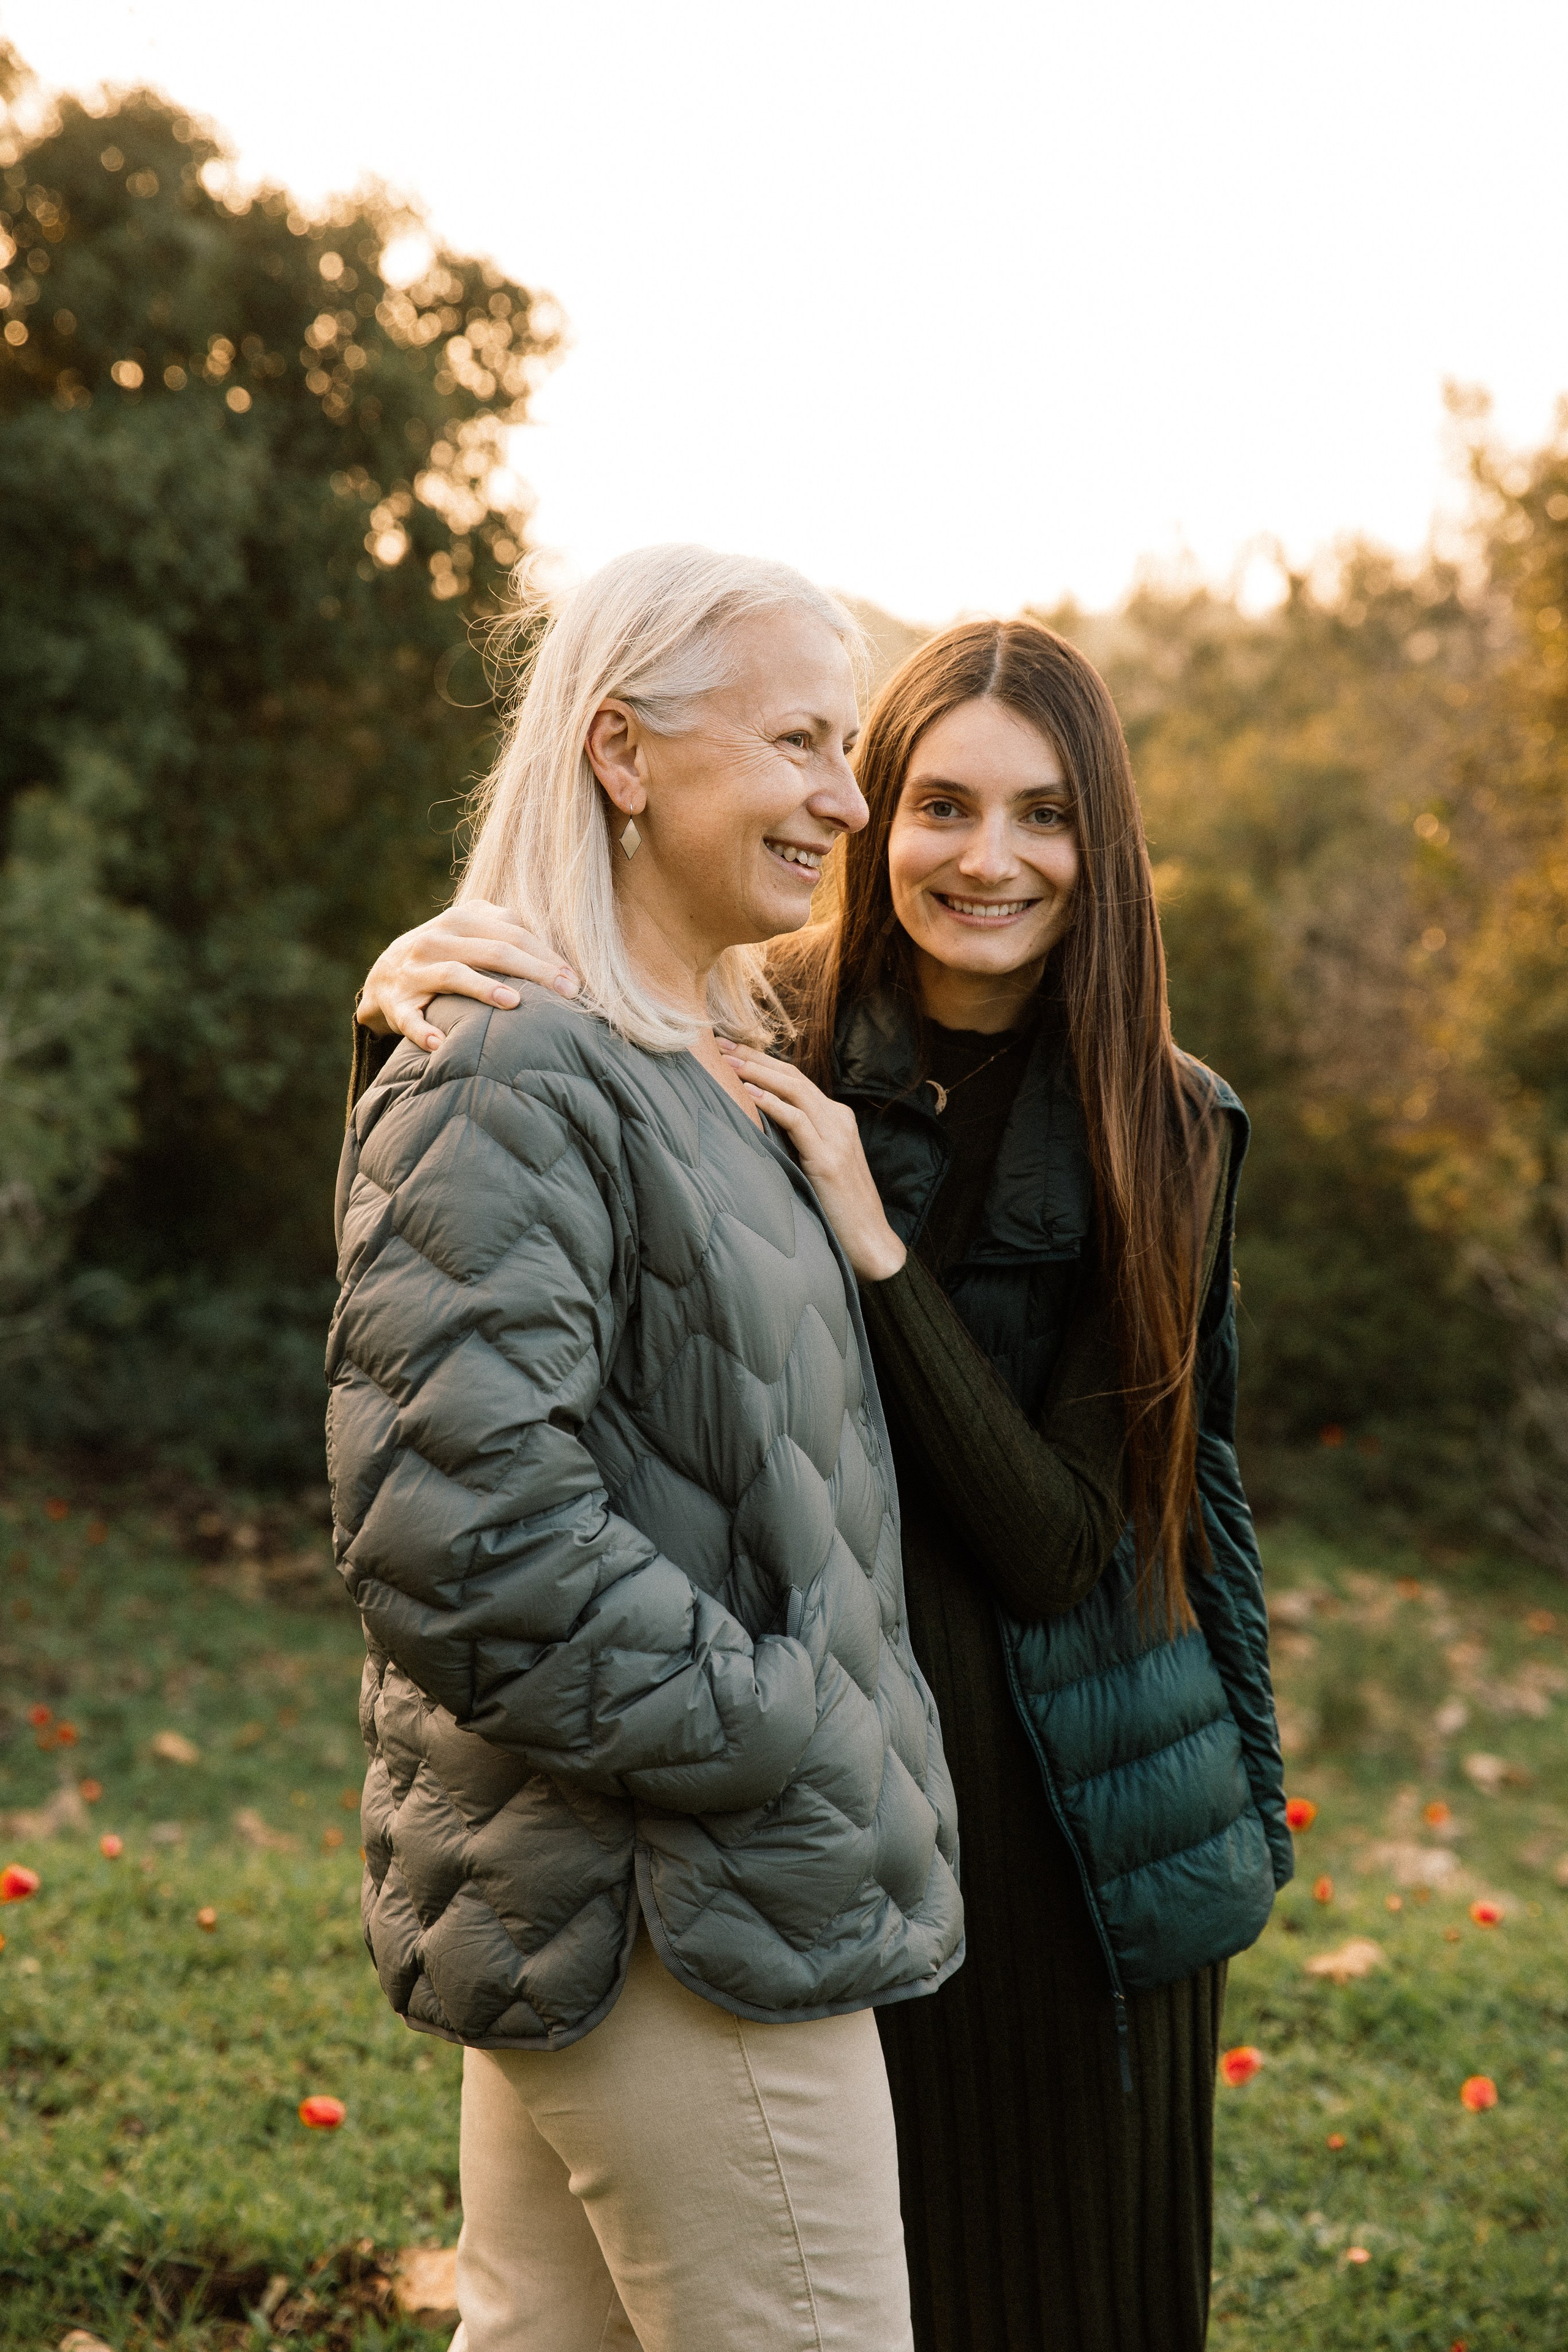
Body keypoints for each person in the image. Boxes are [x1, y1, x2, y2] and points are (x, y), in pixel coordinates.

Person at [357, 614, 1292, 2352]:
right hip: (815, 1757)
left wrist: (877, 1249)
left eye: (1044, 814)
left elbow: (1056, 1542)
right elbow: (483, 1276)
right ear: (876, 811)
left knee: (1056, 2291)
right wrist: (412, 1003)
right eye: (939, 801)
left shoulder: (1167, 1126)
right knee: (822, 2273)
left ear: (1107, 848)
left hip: (1073, 1799)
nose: (986, 858)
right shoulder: (737, 1011)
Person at [331, 545, 963, 2352]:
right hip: (678, 1899)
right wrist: (779, 1724)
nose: (849, 799)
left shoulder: (704, 1054)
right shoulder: (511, 1064)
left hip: (645, 1890)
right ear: (621, 751)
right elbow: (460, 1533)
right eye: (800, 741)